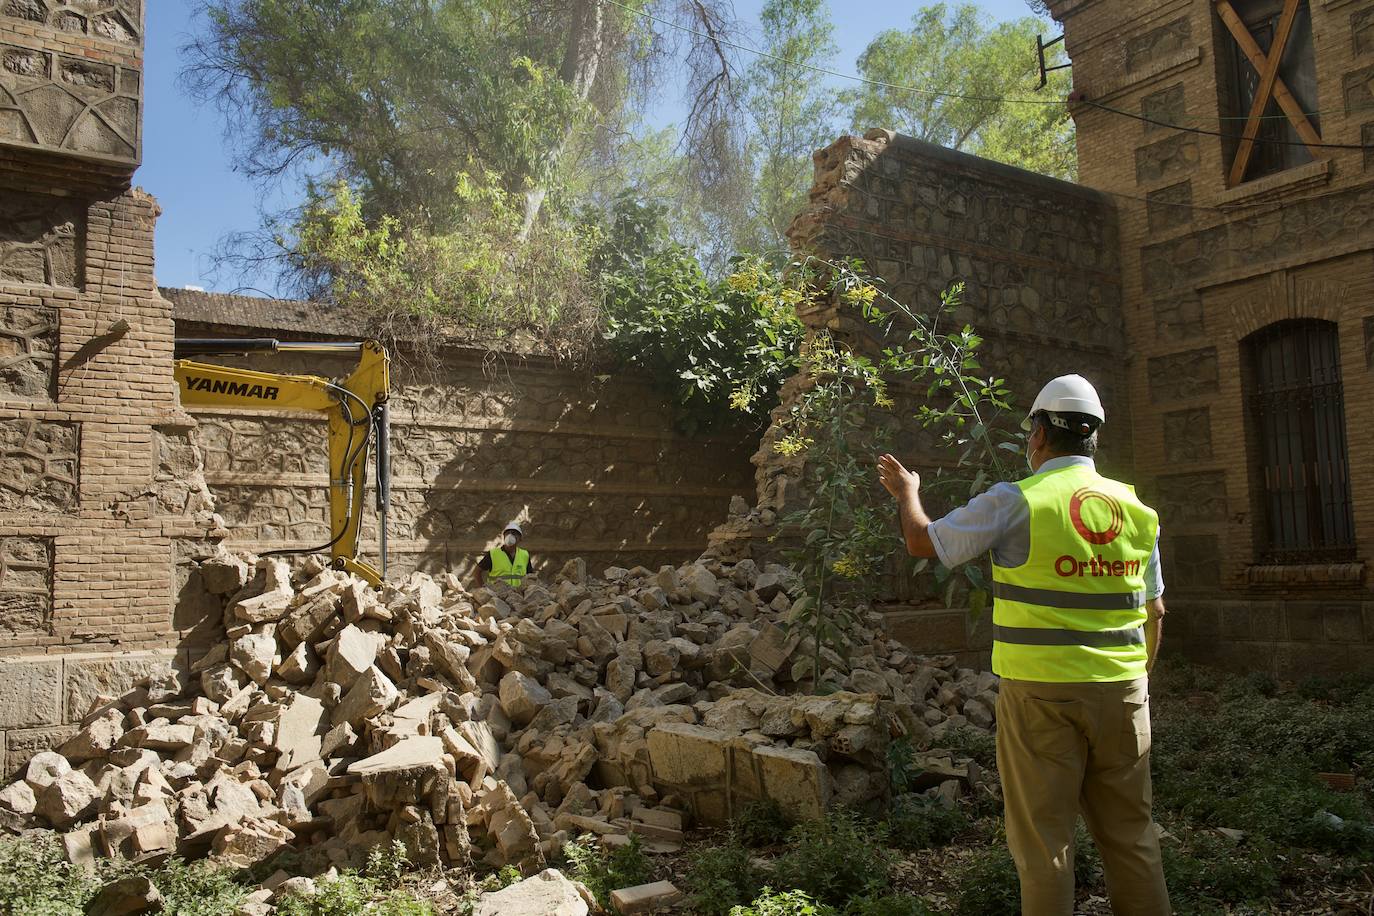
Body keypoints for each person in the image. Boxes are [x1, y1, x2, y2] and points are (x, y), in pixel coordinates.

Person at [877, 374, 1170, 916]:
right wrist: (1137, 681)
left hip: (1041, 699)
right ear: (1094, 439)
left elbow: (923, 540)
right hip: (1124, 696)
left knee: (1045, 847)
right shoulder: (1138, 510)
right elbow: (1154, 612)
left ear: (1037, 437)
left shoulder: (1017, 501)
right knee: (1133, 838)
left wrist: (908, 493)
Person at [474, 522, 532, 588]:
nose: (510, 536)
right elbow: (477, 572)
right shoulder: (493, 554)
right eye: (507, 533)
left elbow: (530, 576)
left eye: (514, 533)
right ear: (504, 537)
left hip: (518, 595)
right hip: (497, 595)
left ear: (520, 538)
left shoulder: (525, 554)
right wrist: (483, 590)